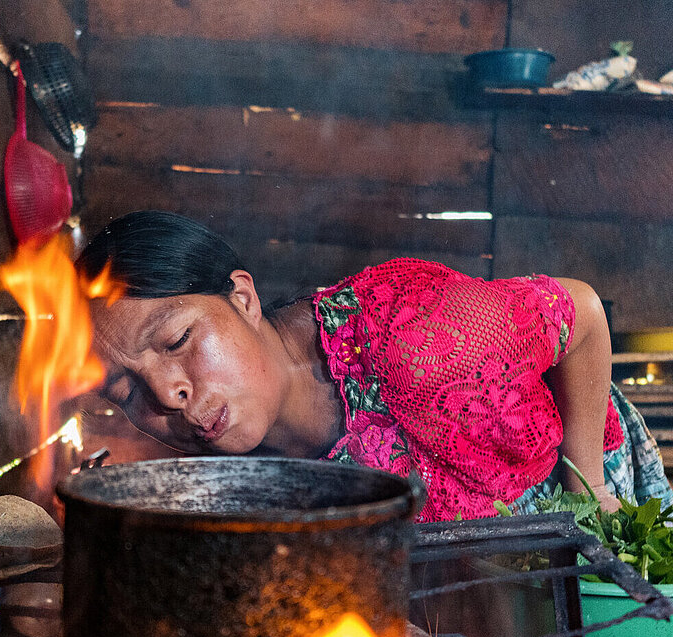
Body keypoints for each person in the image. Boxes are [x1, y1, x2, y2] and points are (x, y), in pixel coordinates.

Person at [75, 210, 673, 523]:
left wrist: (589, 485)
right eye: (126, 391)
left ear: (243, 298)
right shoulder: (225, 457)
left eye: (178, 339)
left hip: (578, 483)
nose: (166, 392)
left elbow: (586, 316)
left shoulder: (415, 338)